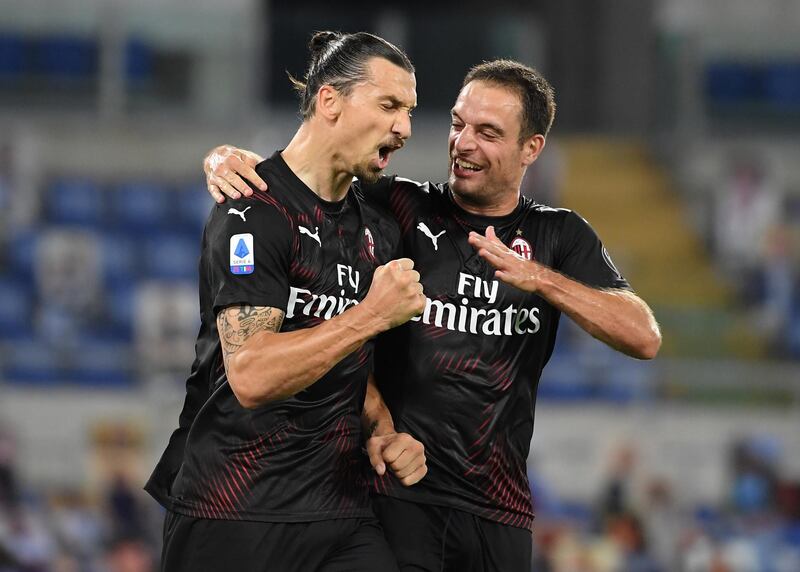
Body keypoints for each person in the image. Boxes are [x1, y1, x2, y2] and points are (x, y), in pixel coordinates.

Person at [205, 58, 662, 572]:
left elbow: (642, 336)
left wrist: (542, 280)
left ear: (531, 148)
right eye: (457, 124)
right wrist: (223, 158)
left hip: (499, 511)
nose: (464, 143)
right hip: (395, 494)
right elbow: (304, 175)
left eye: (488, 133)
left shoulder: (559, 236)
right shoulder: (398, 205)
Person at [146, 31, 429, 572]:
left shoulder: (378, 227)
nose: (405, 128)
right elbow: (251, 376)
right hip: (233, 510)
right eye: (390, 105)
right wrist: (369, 315)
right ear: (329, 101)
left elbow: (352, 362)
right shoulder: (251, 213)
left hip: (339, 512)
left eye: (410, 111)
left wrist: (385, 430)